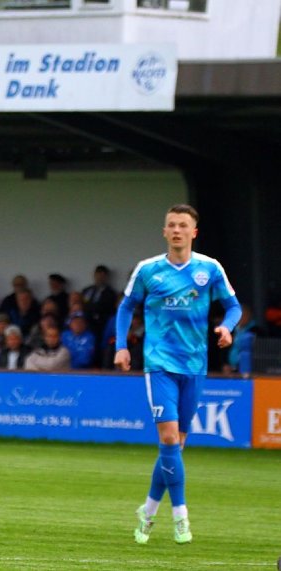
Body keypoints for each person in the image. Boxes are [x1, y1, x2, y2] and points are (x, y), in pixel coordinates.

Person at [114, 204, 241, 546]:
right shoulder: (148, 270)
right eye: (171, 225)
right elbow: (127, 306)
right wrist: (122, 345)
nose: (176, 230)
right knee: (169, 438)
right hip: (159, 364)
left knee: (176, 445)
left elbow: (234, 306)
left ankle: (148, 510)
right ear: (164, 231)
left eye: (183, 225)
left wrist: (227, 328)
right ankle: (181, 516)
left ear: (193, 232)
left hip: (194, 365)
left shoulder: (209, 269)